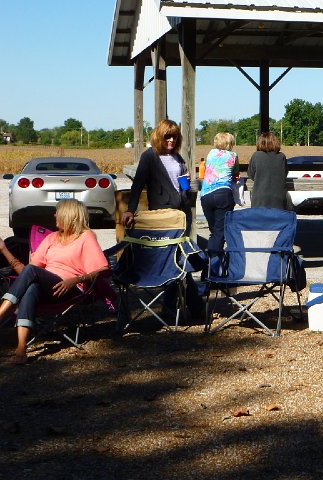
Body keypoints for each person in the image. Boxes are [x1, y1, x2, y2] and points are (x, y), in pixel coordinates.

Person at [0, 200, 109, 364]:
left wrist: (75, 280)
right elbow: (25, 274)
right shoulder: (51, 238)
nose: (55, 215)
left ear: (70, 216)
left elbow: (102, 269)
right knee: (31, 288)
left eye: (58, 212)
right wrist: (3, 249)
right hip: (47, 288)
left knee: (32, 272)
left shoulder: (86, 237)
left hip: (70, 289)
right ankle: (21, 349)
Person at [121, 119, 203, 317]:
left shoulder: (177, 157)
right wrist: (130, 210)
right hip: (163, 215)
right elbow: (137, 185)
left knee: (179, 258)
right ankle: (192, 305)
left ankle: (179, 306)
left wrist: (186, 186)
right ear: (159, 136)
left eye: (174, 137)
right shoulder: (150, 156)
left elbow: (182, 186)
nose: (171, 140)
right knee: (173, 259)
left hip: (182, 213)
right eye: (167, 136)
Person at [200, 132, 240, 256]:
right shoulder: (233, 155)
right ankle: (215, 262)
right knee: (219, 232)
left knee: (213, 231)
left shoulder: (211, 153)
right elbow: (236, 173)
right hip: (223, 194)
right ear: (230, 143)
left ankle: (212, 259)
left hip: (205, 195)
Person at [248, 131, 291, 210]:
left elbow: (251, 174)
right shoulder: (282, 156)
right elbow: (285, 173)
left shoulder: (256, 155)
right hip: (279, 197)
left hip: (260, 197)